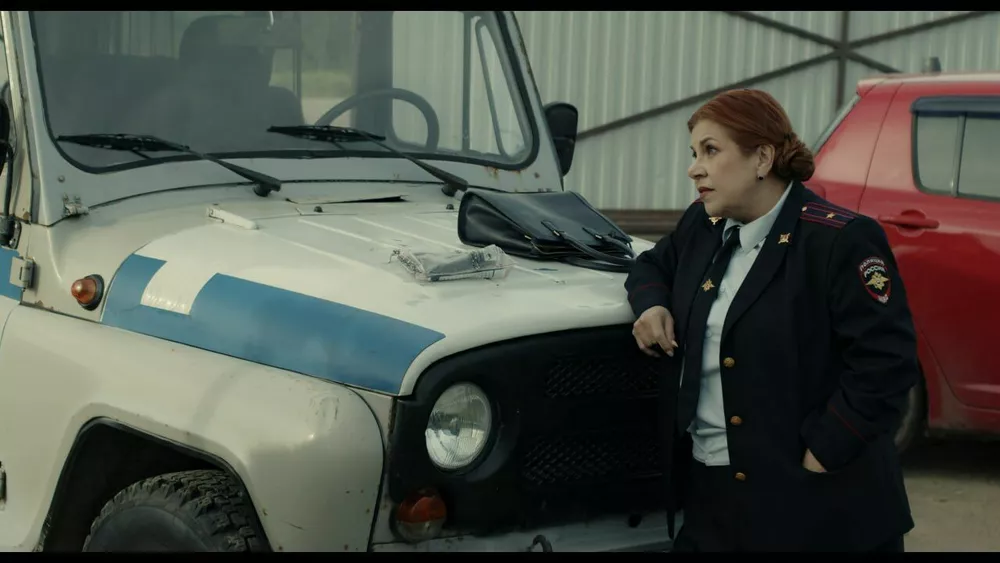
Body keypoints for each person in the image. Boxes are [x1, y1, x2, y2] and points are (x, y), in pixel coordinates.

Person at [624, 88, 919, 552]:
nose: (694, 168)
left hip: (817, 506)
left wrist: (824, 451)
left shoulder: (838, 241)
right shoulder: (703, 225)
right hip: (713, 499)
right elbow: (651, 266)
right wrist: (651, 305)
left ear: (762, 158)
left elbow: (887, 363)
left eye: (710, 151)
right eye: (694, 153)